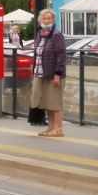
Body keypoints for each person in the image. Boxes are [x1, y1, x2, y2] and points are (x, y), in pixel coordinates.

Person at [31, 8, 66, 137]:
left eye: (49, 19)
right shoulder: (40, 34)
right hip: (41, 73)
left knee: (55, 102)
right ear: (40, 20)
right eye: (44, 19)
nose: (46, 21)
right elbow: (37, 54)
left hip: (53, 74)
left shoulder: (57, 34)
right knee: (47, 102)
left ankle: (58, 128)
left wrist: (58, 74)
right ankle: (50, 127)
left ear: (53, 20)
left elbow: (61, 55)